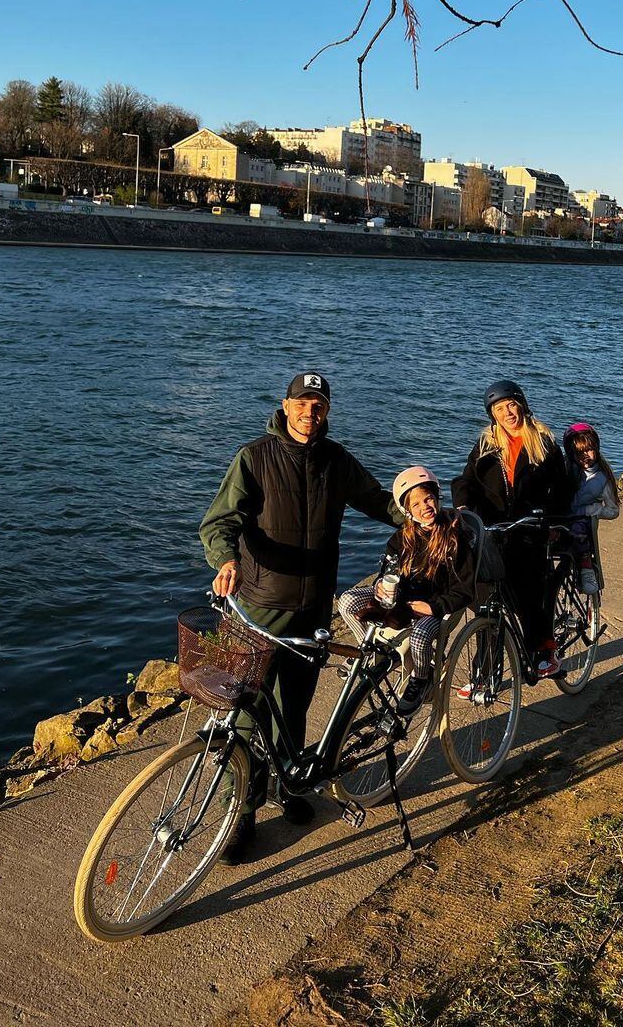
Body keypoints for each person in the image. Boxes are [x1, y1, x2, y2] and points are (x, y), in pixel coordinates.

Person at [199, 370, 400, 864]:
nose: (310, 412)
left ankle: (289, 786)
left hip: (312, 609)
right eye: (302, 403)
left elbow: (378, 501)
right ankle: (238, 816)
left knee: (294, 707)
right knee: (244, 716)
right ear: (285, 407)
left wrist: (422, 514)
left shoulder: (336, 461)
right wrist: (225, 559)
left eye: (319, 404)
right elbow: (220, 521)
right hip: (256, 609)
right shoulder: (255, 458)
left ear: (327, 411)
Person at [451, 380, 571, 680]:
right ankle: (487, 670)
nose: (508, 413)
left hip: (530, 528)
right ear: (493, 414)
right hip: (493, 530)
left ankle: (544, 653)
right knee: (484, 599)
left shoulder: (543, 442)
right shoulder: (486, 444)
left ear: (522, 405)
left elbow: (562, 487)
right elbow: (466, 480)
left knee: (529, 593)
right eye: (499, 409)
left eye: (511, 405)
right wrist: (463, 507)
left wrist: (554, 520)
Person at [337, 466, 476, 717]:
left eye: (429, 499)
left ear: (437, 497)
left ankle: (421, 680)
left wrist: (434, 606)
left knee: (420, 636)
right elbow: (387, 572)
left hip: (436, 606)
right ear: (407, 510)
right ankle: (374, 653)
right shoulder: (400, 539)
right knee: (347, 601)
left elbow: (465, 589)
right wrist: (381, 585)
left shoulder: (456, 539)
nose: (425, 507)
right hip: (400, 600)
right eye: (416, 504)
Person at [561, 422, 620, 595]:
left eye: (588, 450)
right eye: (578, 452)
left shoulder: (602, 479)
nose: (584, 456)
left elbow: (614, 510)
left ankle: (586, 569)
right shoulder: (564, 469)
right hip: (560, 515)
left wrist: (593, 509)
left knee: (579, 530)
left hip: (579, 519)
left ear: (596, 448)